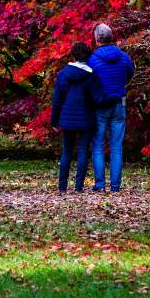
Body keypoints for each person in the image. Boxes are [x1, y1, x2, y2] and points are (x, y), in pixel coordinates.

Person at [88, 23, 134, 193]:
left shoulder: (92, 59)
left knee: (98, 144)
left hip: (100, 105)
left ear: (96, 38)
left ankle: (100, 185)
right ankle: (115, 186)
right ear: (111, 37)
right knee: (116, 146)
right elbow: (130, 74)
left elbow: (89, 81)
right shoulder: (124, 57)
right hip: (119, 102)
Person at [51, 41, 101, 193]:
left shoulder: (63, 74)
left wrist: (54, 120)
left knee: (66, 151)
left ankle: (62, 186)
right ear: (87, 55)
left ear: (73, 55)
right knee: (83, 151)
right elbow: (96, 98)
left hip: (66, 118)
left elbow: (57, 99)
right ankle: (78, 187)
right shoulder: (91, 75)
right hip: (86, 117)